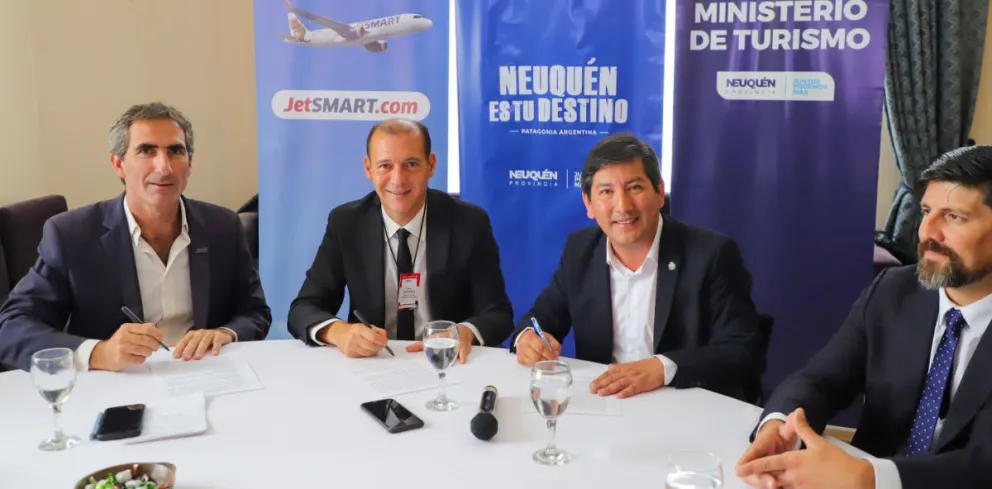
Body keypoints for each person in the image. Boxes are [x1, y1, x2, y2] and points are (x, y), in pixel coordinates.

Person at [736, 146, 992, 489]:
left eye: (954, 217)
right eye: (927, 211)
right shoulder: (895, 291)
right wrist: (780, 427)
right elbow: (820, 380)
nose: (927, 232)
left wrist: (869, 477)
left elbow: (983, 462)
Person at [0, 102, 271, 372]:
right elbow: (11, 327)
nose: (164, 167)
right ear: (118, 164)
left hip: (204, 373)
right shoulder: (72, 235)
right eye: (146, 151)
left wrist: (225, 333)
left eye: (175, 151)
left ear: (189, 164)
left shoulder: (223, 226)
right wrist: (98, 352)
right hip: (118, 381)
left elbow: (255, 312)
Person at [511, 133, 765, 401]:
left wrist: (663, 368)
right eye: (606, 192)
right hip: (605, 402)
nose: (623, 206)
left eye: (634, 188)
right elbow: (540, 319)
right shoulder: (580, 250)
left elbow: (742, 350)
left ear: (659, 192)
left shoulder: (711, 254)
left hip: (681, 404)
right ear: (588, 203)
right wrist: (528, 339)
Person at [287, 118, 514, 361]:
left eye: (411, 164)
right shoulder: (347, 223)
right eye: (385, 166)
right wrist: (338, 332)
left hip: (445, 362)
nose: (398, 179)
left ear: (431, 165)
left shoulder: (469, 222)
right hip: (373, 362)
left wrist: (464, 332)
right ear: (368, 168)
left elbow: (497, 313)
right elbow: (303, 308)